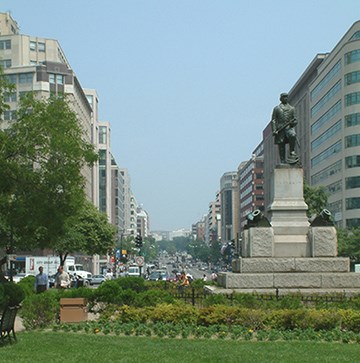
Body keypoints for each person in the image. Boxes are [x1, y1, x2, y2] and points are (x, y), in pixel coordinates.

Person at [271, 92, 298, 164]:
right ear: (281, 99)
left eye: (286, 97)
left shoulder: (292, 108)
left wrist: (293, 123)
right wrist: (274, 130)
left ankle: (292, 151)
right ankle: (282, 160)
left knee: (293, 135)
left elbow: (294, 120)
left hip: (289, 128)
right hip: (280, 129)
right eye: (284, 97)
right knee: (281, 144)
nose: (285, 98)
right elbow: (273, 120)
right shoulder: (277, 108)